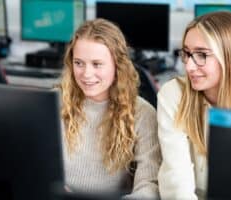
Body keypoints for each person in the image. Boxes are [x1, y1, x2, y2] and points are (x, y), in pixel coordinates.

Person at [157, 11, 231, 200]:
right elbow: (176, 176)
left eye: (202, 55)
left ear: (229, 57)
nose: (189, 66)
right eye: (187, 53)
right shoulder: (173, 94)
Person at [58, 18, 161, 200]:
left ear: (117, 65)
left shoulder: (142, 114)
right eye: (79, 63)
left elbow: (149, 185)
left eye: (97, 64)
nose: (86, 74)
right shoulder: (55, 102)